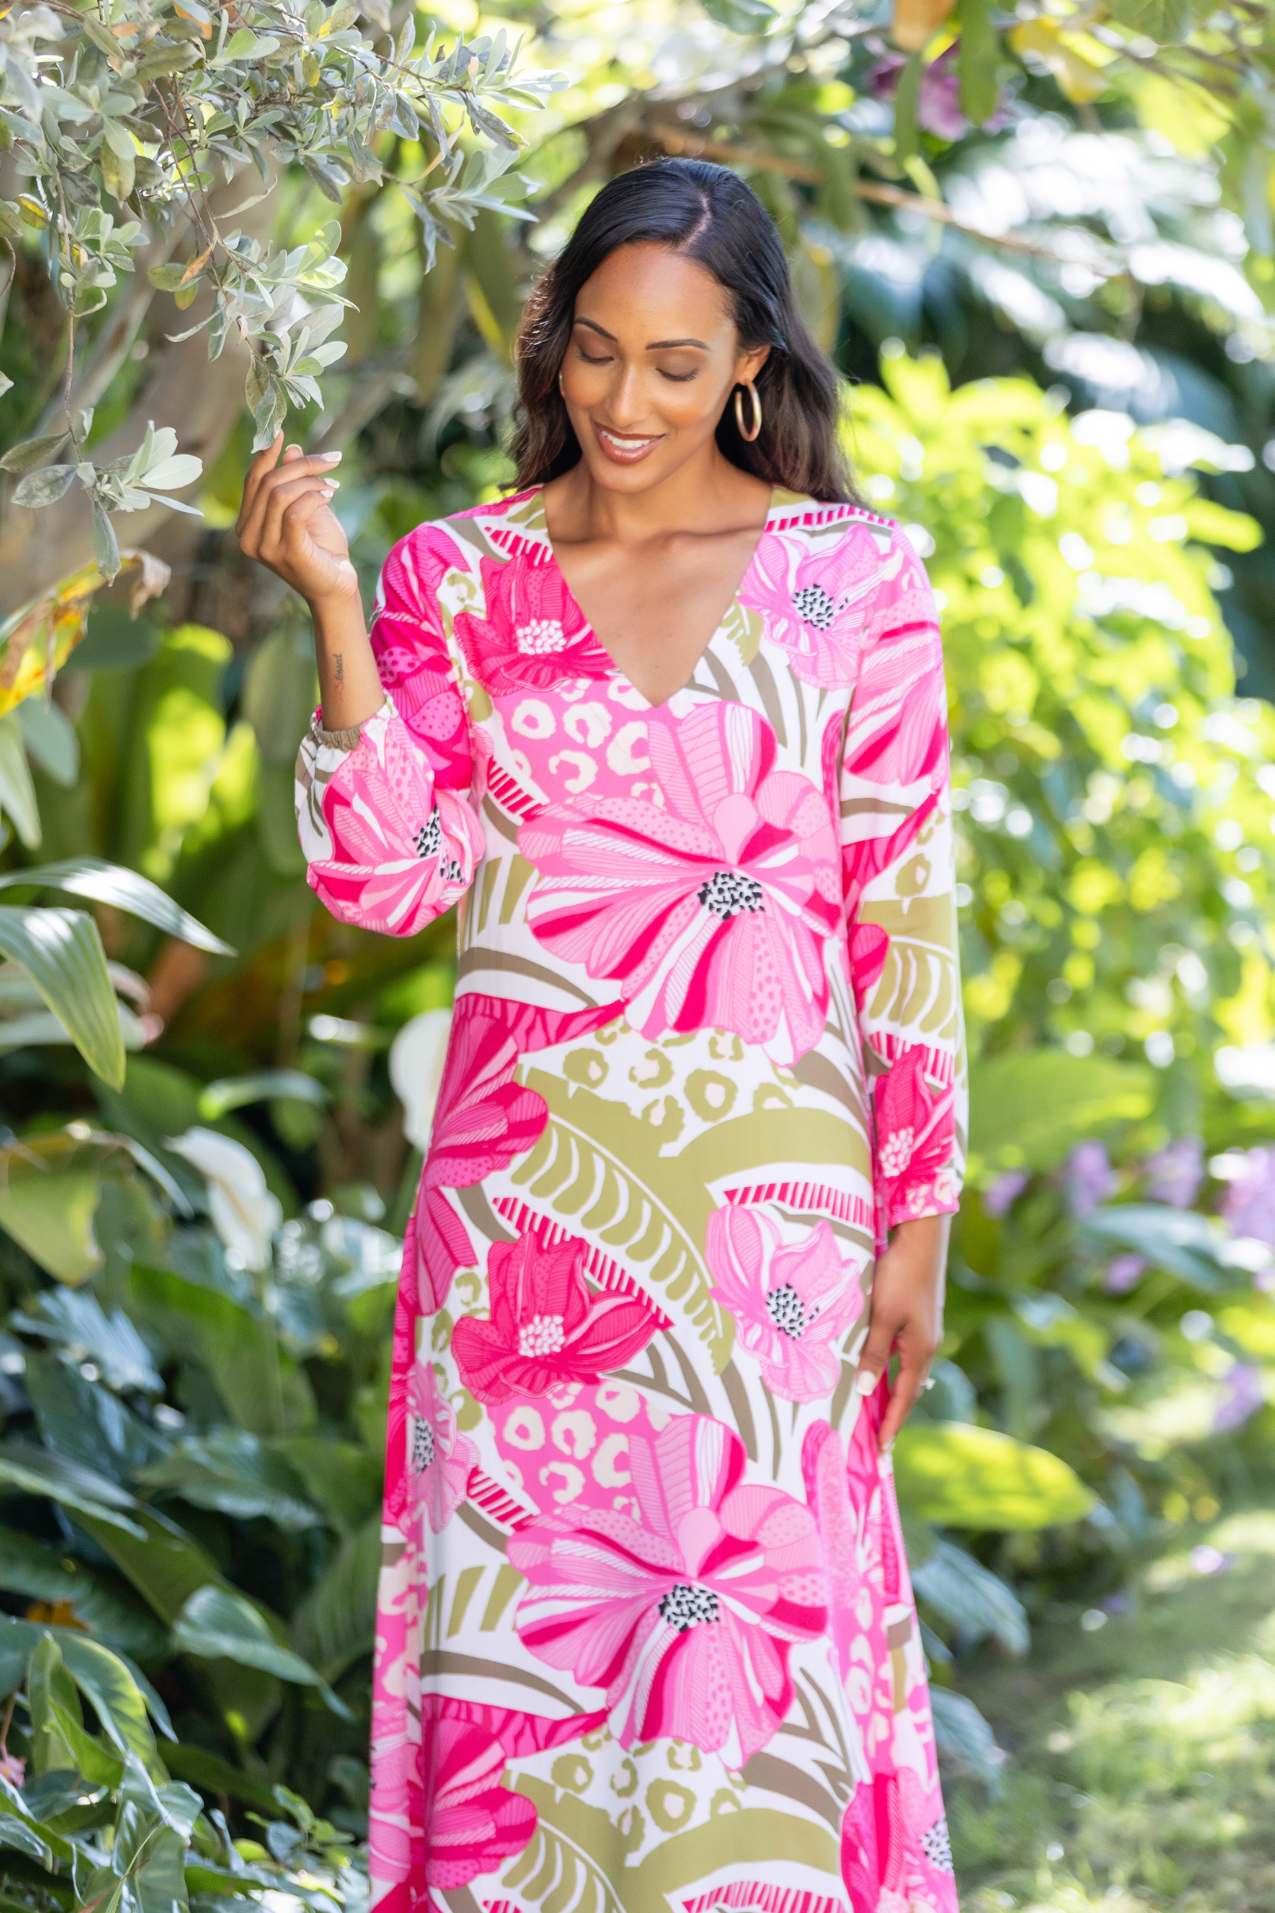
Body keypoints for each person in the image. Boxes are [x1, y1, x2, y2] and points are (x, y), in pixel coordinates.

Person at [238, 154, 969, 1913]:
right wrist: (333, 605)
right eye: (596, 350)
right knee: (535, 1683)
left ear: (752, 362)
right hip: (524, 1241)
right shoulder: (457, 576)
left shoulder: (855, 579)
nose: (624, 401)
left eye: (675, 362)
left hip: (771, 1242)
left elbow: (906, 920)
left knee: (754, 1683)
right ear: (554, 338)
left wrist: (921, 1222)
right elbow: (389, 880)